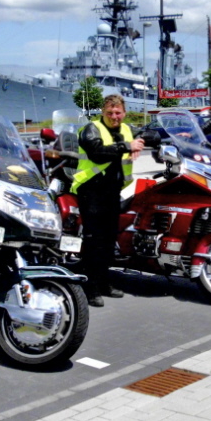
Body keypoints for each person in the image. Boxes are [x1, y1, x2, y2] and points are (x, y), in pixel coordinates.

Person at [70, 94, 144, 307]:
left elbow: (149, 135)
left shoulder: (127, 129)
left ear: (124, 113)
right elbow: (97, 153)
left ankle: (103, 282)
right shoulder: (91, 129)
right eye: (110, 112)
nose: (114, 116)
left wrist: (143, 141)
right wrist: (127, 146)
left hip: (112, 190)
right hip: (91, 190)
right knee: (95, 240)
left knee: (110, 239)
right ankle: (90, 288)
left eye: (118, 112)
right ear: (102, 112)